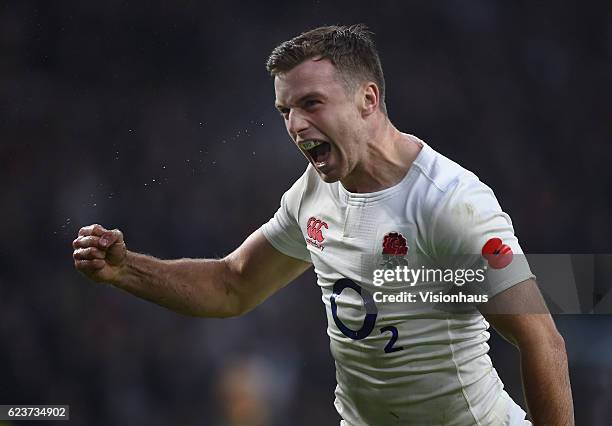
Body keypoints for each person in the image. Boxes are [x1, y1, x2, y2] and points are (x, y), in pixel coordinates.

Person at [73, 24, 574, 425]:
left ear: (368, 100)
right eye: (285, 110)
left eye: (311, 103)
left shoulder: (450, 203)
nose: (294, 125)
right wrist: (126, 270)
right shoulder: (314, 193)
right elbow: (233, 286)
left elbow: (541, 340)